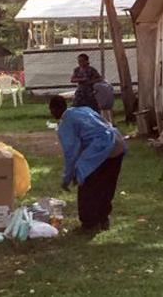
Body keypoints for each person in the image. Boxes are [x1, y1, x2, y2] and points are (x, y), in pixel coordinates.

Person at [49, 95, 126, 232]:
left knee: (88, 188)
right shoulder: (84, 110)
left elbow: (71, 153)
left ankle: (89, 224)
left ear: (54, 109)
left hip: (101, 149)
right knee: (107, 186)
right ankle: (103, 219)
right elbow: (103, 123)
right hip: (117, 143)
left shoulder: (66, 124)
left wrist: (68, 177)